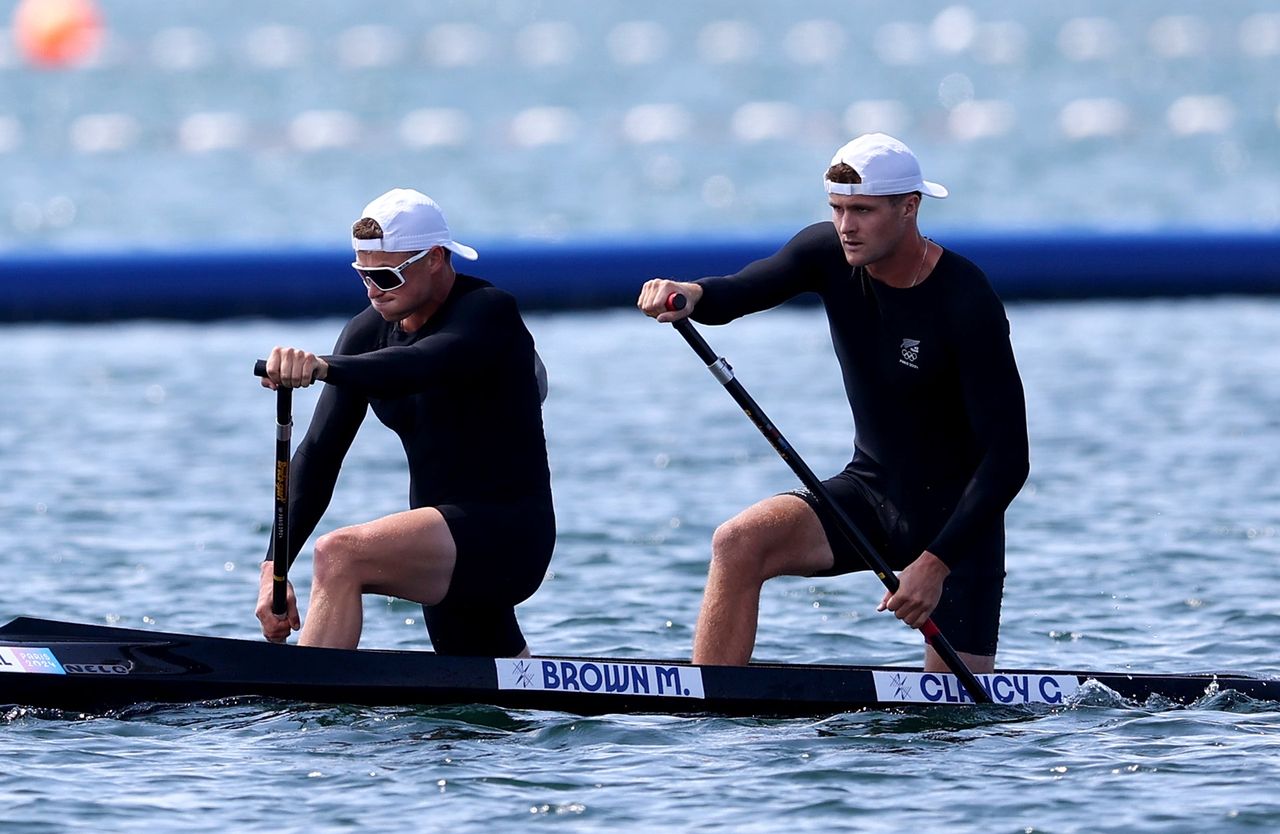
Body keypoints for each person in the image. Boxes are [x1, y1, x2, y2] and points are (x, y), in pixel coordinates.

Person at [638, 133, 1029, 674]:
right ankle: (710, 717)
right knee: (738, 542)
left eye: (863, 211)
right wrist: (691, 293)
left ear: (908, 207)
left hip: (959, 529)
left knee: (954, 723)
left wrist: (935, 564)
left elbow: (1009, 460)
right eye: (838, 209)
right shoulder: (827, 253)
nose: (846, 226)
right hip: (870, 495)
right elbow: (743, 289)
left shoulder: (966, 298)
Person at [256, 188, 555, 657]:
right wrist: (273, 569)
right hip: (435, 546)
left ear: (435, 258)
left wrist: (321, 367)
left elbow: (418, 365)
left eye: (385, 275)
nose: (373, 290)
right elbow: (317, 457)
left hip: (508, 536)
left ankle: (304, 718)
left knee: (340, 555)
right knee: (485, 712)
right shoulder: (365, 332)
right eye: (363, 275)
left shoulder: (488, 312)